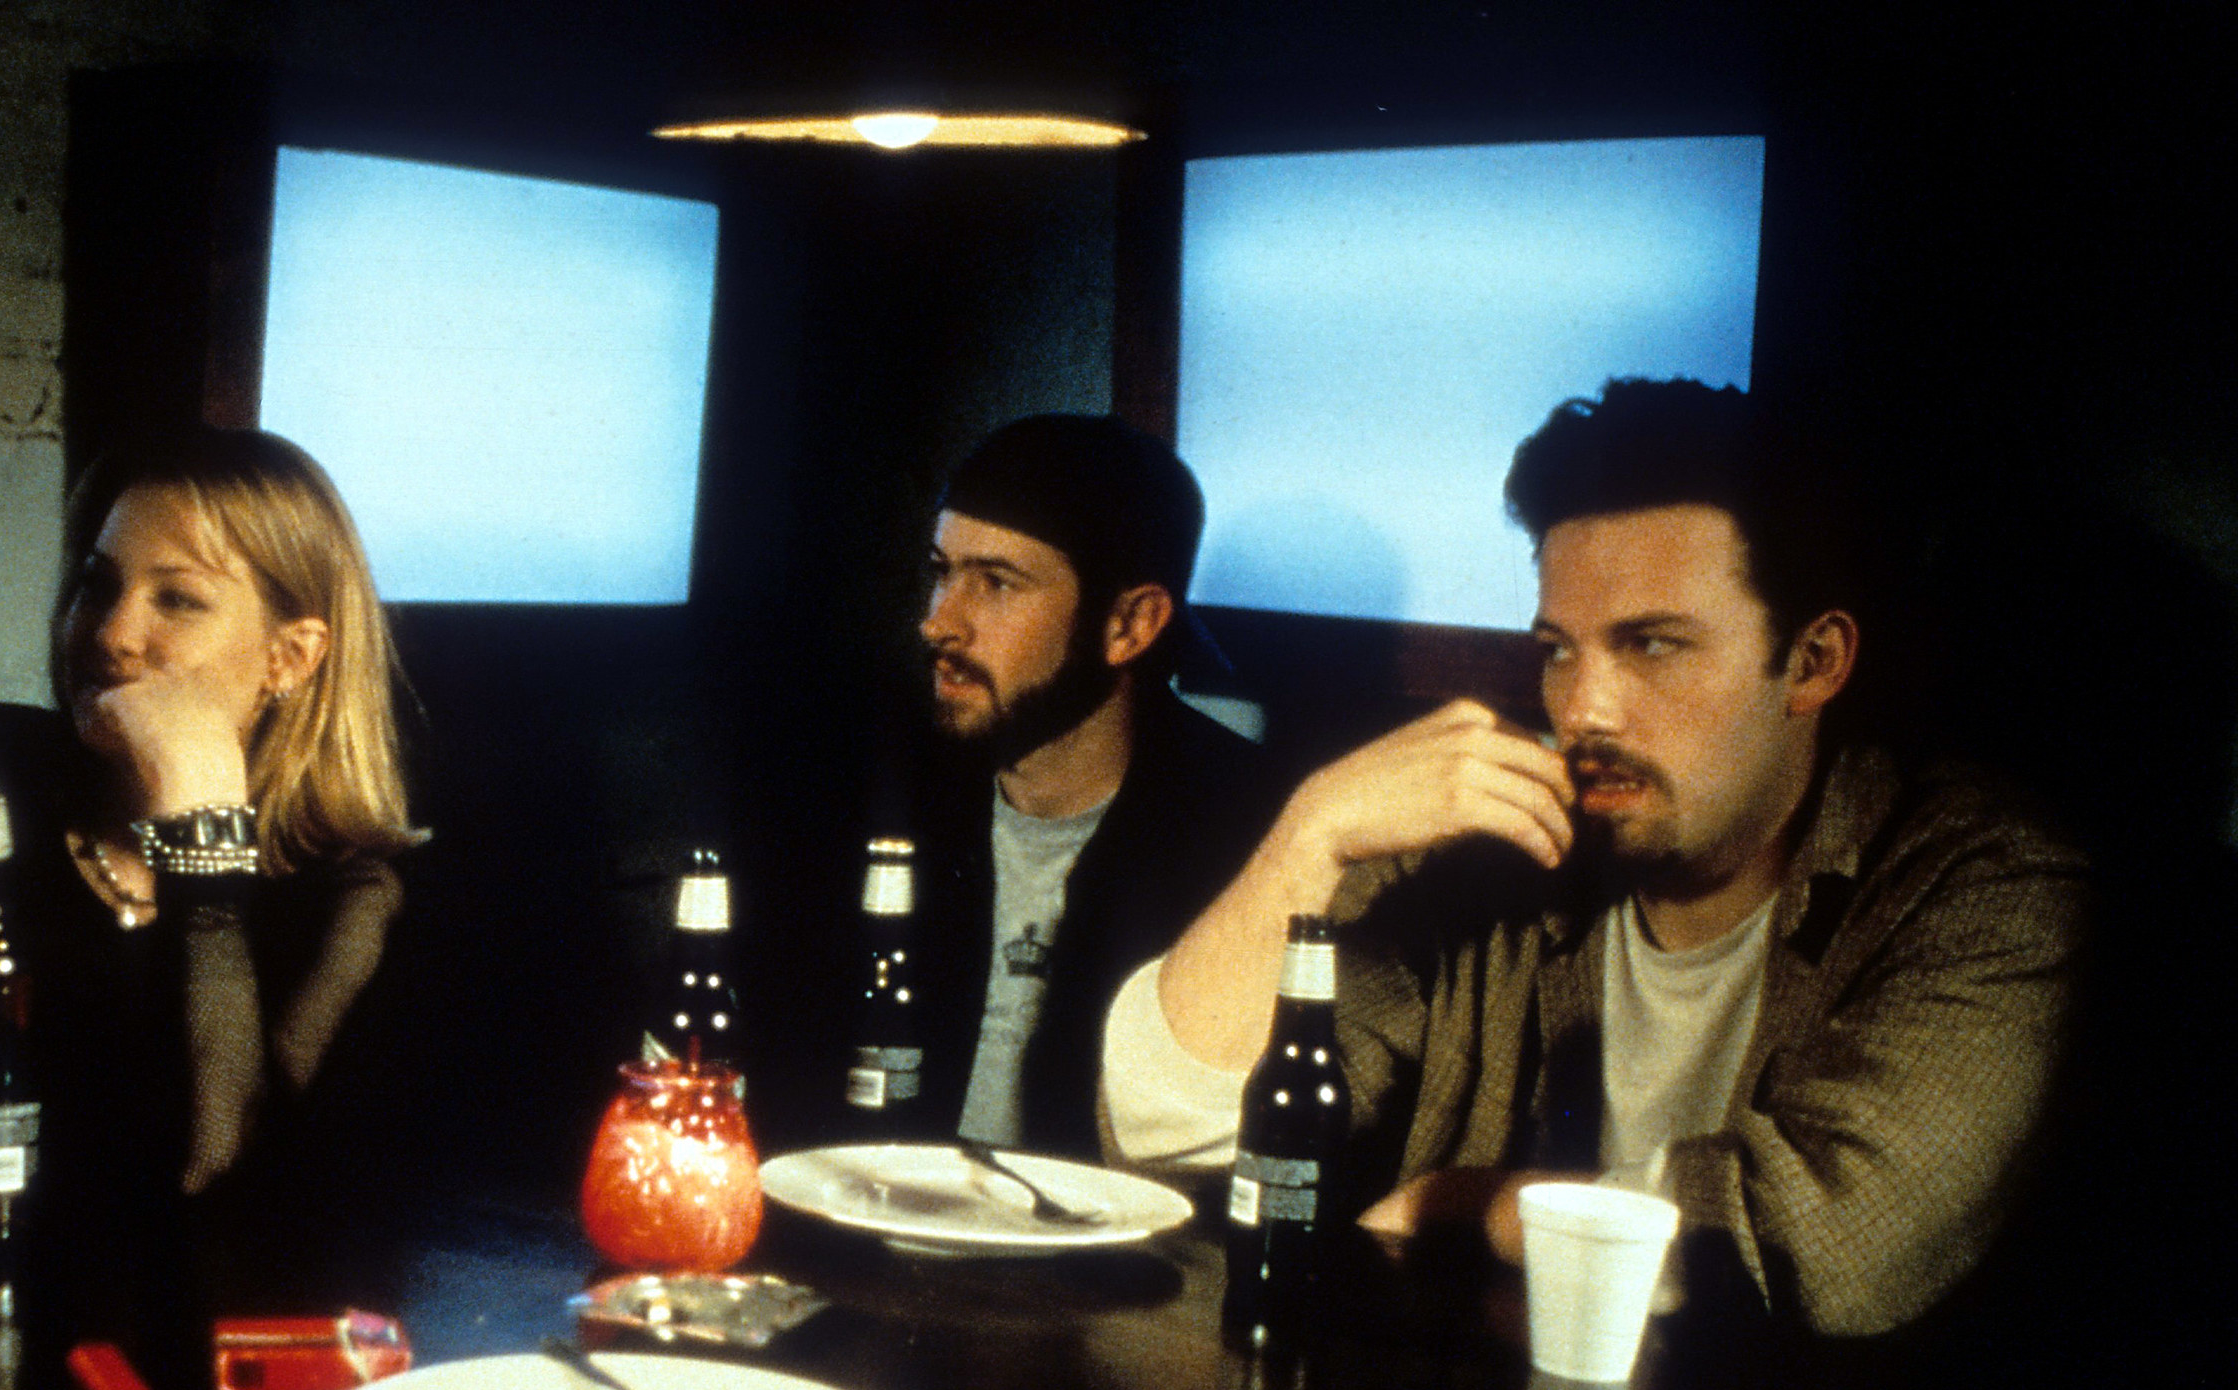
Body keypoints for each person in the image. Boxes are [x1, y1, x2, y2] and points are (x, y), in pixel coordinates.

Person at [1103, 378, 2085, 1336]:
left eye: (1653, 645)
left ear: (1814, 662)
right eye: (1560, 649)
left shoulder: (1982, 879)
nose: (1584, 710)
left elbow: (1835, 1242)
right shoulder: (1496, 847)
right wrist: (1307, 835)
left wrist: (1475, 1203)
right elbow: (1170, 1137)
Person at [0, 426, 411, 1222]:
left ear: (289, 657)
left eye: (177, 600)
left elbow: (211, 1164)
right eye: (97, 584)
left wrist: (199, 829)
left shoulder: (354, 898)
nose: (111, 635)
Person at [893, 413, 1280, 1158]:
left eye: (997, 584)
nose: (939, 623)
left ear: (1130, 625)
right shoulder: (881, 798)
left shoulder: (1246, 840)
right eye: (943, 573)